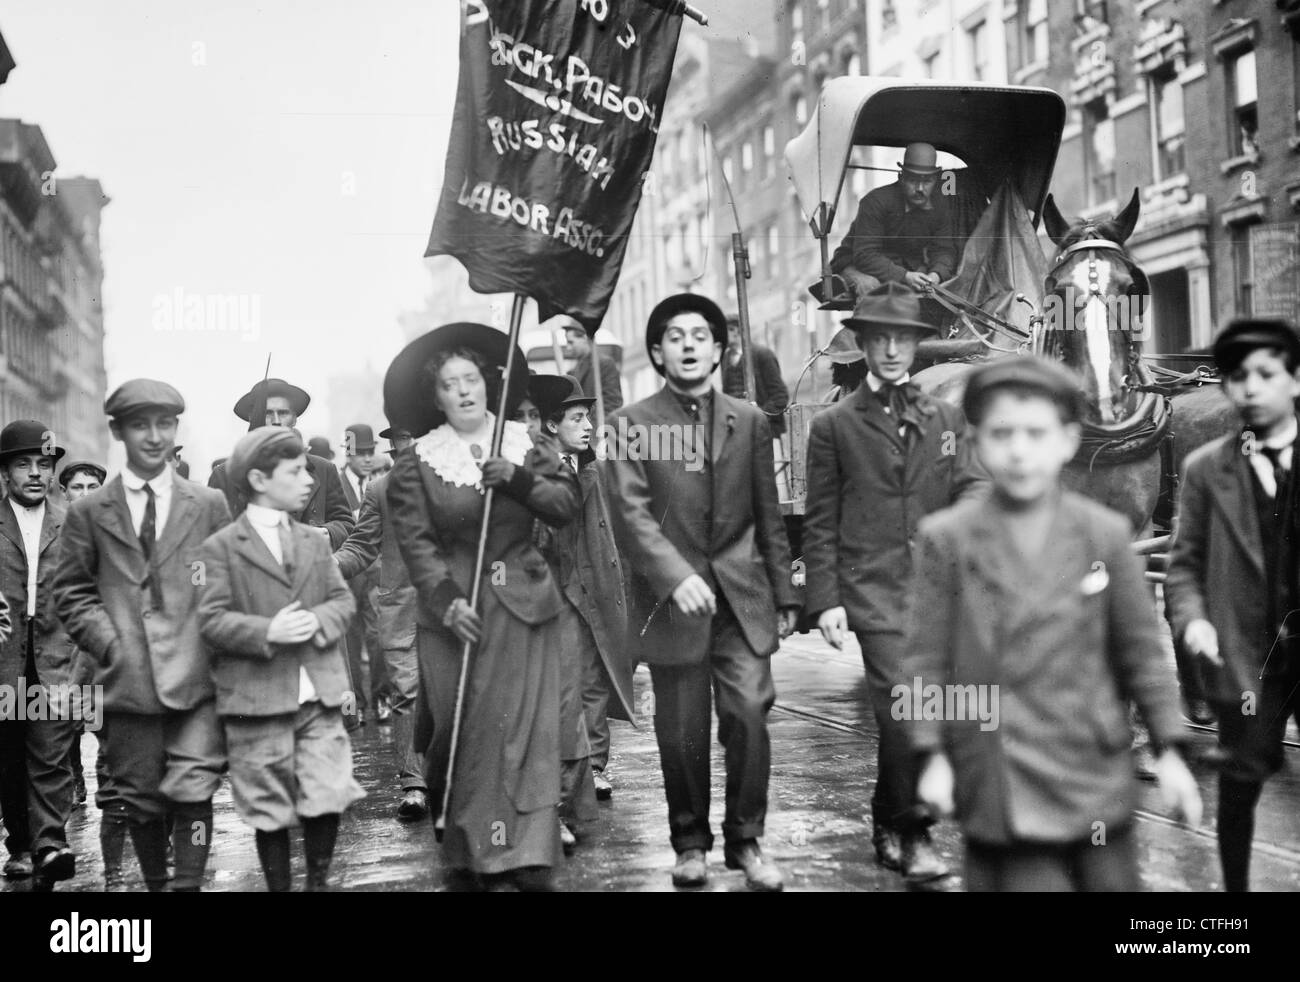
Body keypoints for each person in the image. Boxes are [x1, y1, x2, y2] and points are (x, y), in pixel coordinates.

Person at [903, 356, 1202, 891]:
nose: (1019, 450)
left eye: (1036, 433)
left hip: (1093, 774)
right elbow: (926, 660)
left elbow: (1141, 654)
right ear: (976, 443)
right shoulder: (947, 539)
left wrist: (1171, 751)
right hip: (1002, 780)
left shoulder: (1104, 534)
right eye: (1001, 434)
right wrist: (932, 755)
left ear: (1068, 441)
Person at [607, 293, 798, 891]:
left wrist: (788, 596)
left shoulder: (751, 421)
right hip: (673, 605)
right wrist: (676, 575)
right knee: (682, 728)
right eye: (674, 336)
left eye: (700, 336)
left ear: (719, 350)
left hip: (741, 602)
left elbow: (769, 517)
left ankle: (747, 841)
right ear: (658, 353)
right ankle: (689, 842)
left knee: (747, 714)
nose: (688, 345)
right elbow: (628, 514)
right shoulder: (628, 426)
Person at [385, 322, 580, 891]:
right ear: (436, 396)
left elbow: (565, 505)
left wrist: (517, 480)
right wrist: (447, 602)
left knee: (522, 735)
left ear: (487, 385)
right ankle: (471, 846)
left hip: (523, 609)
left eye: (472, 379)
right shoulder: (418, 461)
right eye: (450, 384)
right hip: (456, 619)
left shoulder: (525, 444)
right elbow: (418, 546)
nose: (464, 391)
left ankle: (526, 852)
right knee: (462, 736)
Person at [802, 283, 986, 884]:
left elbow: (972, 484)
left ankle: (887, 817)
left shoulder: (947, 418)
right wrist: (826, 600)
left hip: (937, 590)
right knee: (904, 711)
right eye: (878, 339)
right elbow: (821, 520)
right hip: (873, 593)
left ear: (913, 344)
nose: (890, 350)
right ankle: (913, 834)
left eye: (901, 339)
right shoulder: (834, 427)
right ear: (863, 343)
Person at [54, 380, 232, 892]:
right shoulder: (90, 512)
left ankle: (189, 885)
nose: (153, 436)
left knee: (195, 792)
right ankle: (157, 884)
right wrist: (112, 643)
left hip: (196, 682)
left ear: (175, 430)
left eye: (164, 424)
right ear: (117, 430)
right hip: (127, 687)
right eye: (140, 425)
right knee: (143, 801)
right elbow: (71, 593)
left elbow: (222, 582)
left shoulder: (209, 504)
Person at [1166, 318, 1300, 892]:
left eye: (1266, 374)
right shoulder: (1205, 470)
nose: (1251, 388)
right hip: (1251, 658)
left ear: (1294, 380)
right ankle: (1236, 900)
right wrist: (1194, 618)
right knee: (1242, 781)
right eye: (1237, 377)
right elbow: (1184, 565)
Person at [198, 427, 363, 892]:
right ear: (259, 479)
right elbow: (210, 621)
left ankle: (316, 883)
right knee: (269, 807)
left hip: (316, 695)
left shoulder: (314, 541)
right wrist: (267, 631)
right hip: (258, 700)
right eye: (294, 472)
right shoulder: (222, 548)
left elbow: (341, 601)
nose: (308, 481)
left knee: (326, 794)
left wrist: (315, 621)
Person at [208, 378, 357, 723]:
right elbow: (213, 537)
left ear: (294, 419)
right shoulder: (226, 475)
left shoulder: (321, 469)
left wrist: (324, 533)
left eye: (284, 414)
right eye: (269, 414)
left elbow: (345, 523)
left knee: (321, 705)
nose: (276, 421)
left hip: (312, 593)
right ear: (255, 421)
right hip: (254, 601)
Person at [334, 425, 429, 821]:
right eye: (399, 441)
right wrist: (324, 565)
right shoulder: (381, 490)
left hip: (456, 607)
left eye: (413, 437)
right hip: (402, 608)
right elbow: (361, 544)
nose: (404, 447)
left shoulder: (463, 478)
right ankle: (414, 787)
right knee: (407, 692)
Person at [0, 421, 76, 891]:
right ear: (5, 473)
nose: (35, 474)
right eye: (23, 464)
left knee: (51, 751)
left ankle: (50, 844)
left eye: (43, 465)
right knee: (8, 753)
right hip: (5, 657)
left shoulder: (72, 522)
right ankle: (21, 846)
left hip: (56, 653)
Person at [56, 460, 125, 887]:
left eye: (92, 485)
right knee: (56, 735)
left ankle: (117, 855)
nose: (84, 492)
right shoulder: (50, 532)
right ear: (64, 492)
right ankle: (70, 787)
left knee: (108, 741)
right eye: (77, 486)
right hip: (55, 654)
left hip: (96, 656)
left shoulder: (111, 534)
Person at [826, 142, 956, 303]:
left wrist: (935, 275)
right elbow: (865, 255)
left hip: (904, 266)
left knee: (935, 292)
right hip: (856, 264)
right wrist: (904, 276)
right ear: (901, 178)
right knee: (871, 287)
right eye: (913, 181)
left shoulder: (940, 207)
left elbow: (944, 251)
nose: (920, 188)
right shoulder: (875, 202)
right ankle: (871, 327)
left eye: (927, 181)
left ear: (935, 180)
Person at [339, 423, 387, 724]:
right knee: (350, 641)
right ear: (349, 454)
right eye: (361, 453)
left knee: (378, 635)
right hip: (346, 573)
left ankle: (382, 698)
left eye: (371, 452)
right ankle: (354, 703)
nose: (367, 458)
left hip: (375, 571)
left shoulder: (381, 482)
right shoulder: (336, 481)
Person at [720, 315, 789, 438]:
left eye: (723, 331)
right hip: (736, 433)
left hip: (765, 432)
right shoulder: (725, 358)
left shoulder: (763, 355)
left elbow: (780, 396)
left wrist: (758, 416)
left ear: (735, 331)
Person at [562, 318, 623, 415]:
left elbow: (612, 404)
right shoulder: (572, 372)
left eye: (571, 342)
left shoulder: (604, 364)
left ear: (584, 338)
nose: (568, 348)